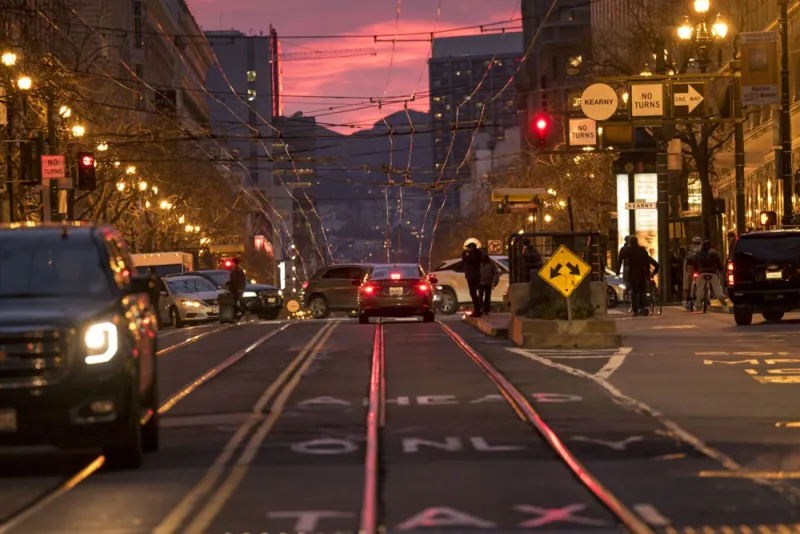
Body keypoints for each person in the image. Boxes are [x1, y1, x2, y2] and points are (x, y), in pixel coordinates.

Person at [619, 236, 659, 316]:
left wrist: (625, 247)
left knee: (635, 292)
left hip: (633, 273)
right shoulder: (642, 250)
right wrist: (650, 273)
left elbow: (621, 256)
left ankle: (635, 310)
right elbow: (651, 263)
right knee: (642, 291)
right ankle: (643, 308)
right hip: (642, 273)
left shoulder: (629, 250)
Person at [693, 240, 727, 306]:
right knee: (716, 286)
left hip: (702, 272)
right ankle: (720, 296)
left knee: (700, 287)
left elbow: (695, 263)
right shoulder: (713, 253)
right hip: (712, 272)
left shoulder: (699, 253)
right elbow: (719, 263)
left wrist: (696, 270)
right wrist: (720, 269)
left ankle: (698, 302)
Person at [462, 241, 483, 317]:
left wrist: (464, 254)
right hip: (474, 275)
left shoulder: (474, 255)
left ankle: (477, 310)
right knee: (474, 293)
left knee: (473, 293)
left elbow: (466, 260)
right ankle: (478, 309)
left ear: (472, 247)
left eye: (468, 247)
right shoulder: (476, 254)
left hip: (473, 276)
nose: (467, 249)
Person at [478, 249, 500, 316]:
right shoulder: (478, 262)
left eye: (485, 254)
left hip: (488, 282)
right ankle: (480, 309)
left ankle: (486, 310)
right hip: (480, 282)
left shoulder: (491, 263)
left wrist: (494, 282)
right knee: (480, 296)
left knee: (487, 297)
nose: (483, 256)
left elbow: (496, 272)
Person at [683, 236, 703, 308]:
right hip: (699, 268)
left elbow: (685, 261)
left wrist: (685, 271)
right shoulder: (702, 249)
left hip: (690, 268)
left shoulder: (689, 249)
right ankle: (701, 299)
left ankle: (688, 300)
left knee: (688, 284)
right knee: (700, 283)